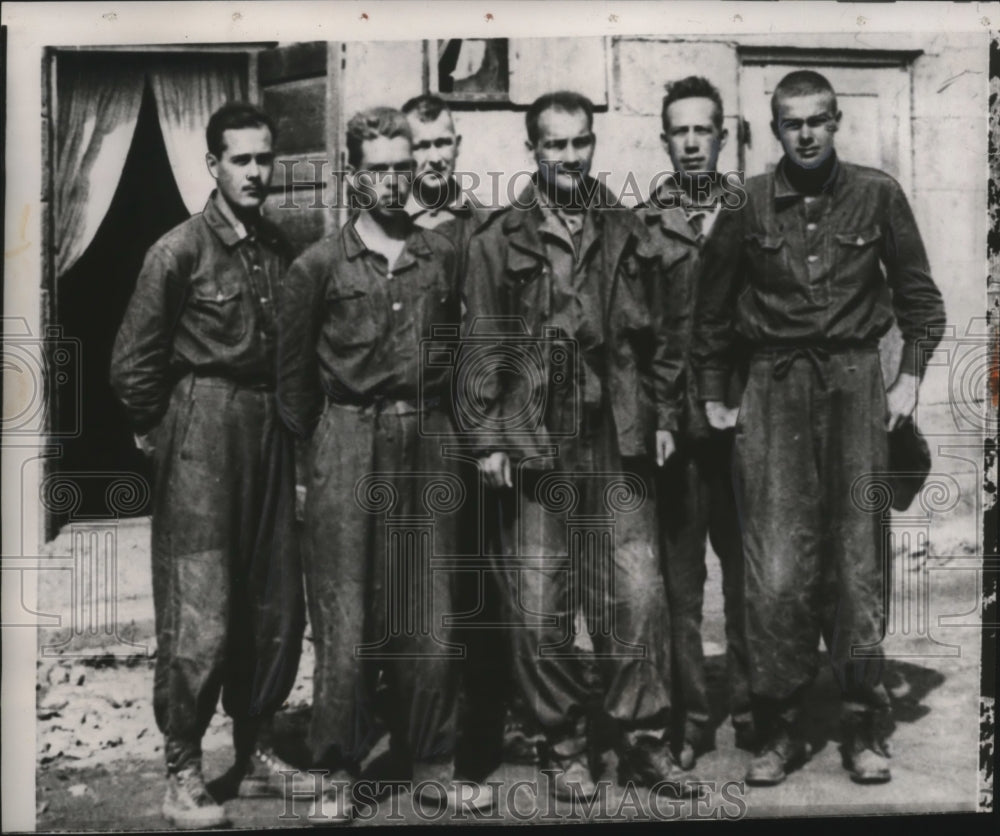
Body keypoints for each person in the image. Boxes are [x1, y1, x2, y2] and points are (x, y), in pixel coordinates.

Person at [691, 70, 946, 786]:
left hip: (856, 387)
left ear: (836, 123)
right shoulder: (744, 205)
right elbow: (710, 316)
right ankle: (777, 730)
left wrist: (908, 379)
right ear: (775, 131)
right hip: (773, 391)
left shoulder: (877, 194)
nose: (805, 133)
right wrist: (716, 397)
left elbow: (923, 302)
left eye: (817, 121)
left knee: (858, 564)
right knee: (776, 571)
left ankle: (865, 724)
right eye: (791, 122)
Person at [465, 90, 694, 801]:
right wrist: (487, 438)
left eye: (580, 142)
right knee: (540, 601)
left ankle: (643, 742)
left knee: (636, 593)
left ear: (594, 143)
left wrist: (661, 415)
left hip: (614, 432)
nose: (569, 156)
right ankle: (561, 744)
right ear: (533, 150)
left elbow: (661, 333)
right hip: (538, 438)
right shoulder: (500, 239)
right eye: (555, 144)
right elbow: (482, 345)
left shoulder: (627, 228)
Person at [276, 106, 493, 820]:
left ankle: (432, 760)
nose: (395, 180)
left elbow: (470, 355)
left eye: (404, 165)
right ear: (353, 173)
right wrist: (325, 459)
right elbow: (294, 385)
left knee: (428, 608)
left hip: (429, 441)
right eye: (379, 167)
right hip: (348, 439)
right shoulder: (318, 266)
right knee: (345, 613)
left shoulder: (443, 253)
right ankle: (337, 767)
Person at [110, 102, 304, 829]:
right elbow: (132, 368)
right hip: (204, 430)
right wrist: (166, 437)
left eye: (264, 158)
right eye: (241, 159)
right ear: (213, 164)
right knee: (201, 609)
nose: (255, 172)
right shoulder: (178, 251)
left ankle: (257, 750)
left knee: (275, 603)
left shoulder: (277, 247)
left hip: (268, 432)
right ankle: (182, 770)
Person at [639, 76, 753, 769]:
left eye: (702, 130)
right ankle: (689, 720)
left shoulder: (755, 214)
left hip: (745, 425)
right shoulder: (646, 225)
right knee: (681, 589)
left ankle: (753, 709)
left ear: (722, 136)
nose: (690, 142)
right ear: (665, 140)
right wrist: (657, 416)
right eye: (678, 131)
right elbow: (641, 335)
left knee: (751, 577)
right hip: (677, 431)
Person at [401, 93, 509, 783]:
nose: (435, 157)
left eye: (444, 145)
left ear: (458, 145)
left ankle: (478, 735)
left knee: (478, 582)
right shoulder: (383, 226)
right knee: (411, 580)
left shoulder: (482, 227)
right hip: (402, 424)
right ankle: (406, 726)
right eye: (422, 147)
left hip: (468, 423)